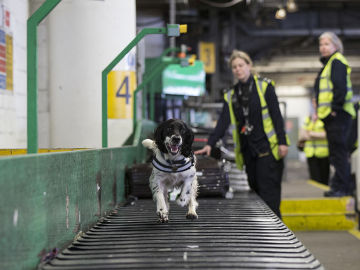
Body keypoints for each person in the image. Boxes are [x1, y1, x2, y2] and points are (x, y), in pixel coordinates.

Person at [194, 50, 289, 218]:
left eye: (241, 65)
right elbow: (223, 122)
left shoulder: (264, 87)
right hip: (248, 151)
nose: (238, 69)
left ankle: (276, 235)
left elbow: (276, 116)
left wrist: (282, 142)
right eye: (234, 67)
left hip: (268, 149)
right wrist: (210, 143)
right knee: (255, 190)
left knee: (269, 194)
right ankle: (263, 231)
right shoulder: (231, 94)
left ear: (249, 65)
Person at [314, 32, 356, 197]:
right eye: (321, 44)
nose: (323, 47)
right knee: (336, 153)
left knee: (339, 154)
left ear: (336, 46)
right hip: (332, 116)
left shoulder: (336, 62)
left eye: (327, 44)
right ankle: (338, 186)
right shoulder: (329, 63)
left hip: (337, 115)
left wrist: (334, 109)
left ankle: (342, 188)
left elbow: (340, 89)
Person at [299, 98, 329, 185]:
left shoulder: (325, 118)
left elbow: (327, 135)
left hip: (324, 154)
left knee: (324, 181)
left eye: (316, 101)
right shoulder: (308, 118)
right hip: (311, 154)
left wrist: (310, 134)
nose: (314, 104)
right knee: (314, 181)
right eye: (313, 101)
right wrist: (318, 135)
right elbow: (302, 135)